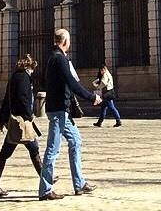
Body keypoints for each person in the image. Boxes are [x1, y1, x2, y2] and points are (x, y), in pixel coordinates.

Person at [38, 28, 101, 200]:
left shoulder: (53, 58)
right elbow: (73, 83)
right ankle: (45, 190)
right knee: (52, 150)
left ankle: (79, 183)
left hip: (61, 111)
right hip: (59, 111)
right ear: (65, 41)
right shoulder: (59, 59)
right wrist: (91, 97)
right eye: (69, 40)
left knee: (76, 141)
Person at [0, 55, 44, 198]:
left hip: (14, 121)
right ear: (29, 67)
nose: (33, 72)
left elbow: (7, 100)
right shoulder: (24, 78)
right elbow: (23, 99)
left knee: (6, 152)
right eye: (32, 69)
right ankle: (46, 179)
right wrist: (29, 115)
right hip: (21, 122)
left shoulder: (14, 77)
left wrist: (1, 119)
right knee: (34, 148)